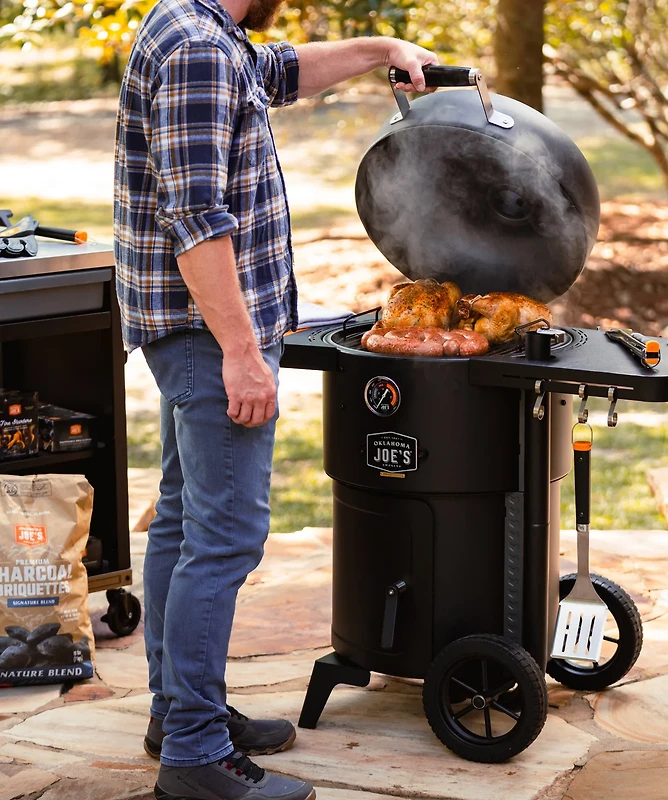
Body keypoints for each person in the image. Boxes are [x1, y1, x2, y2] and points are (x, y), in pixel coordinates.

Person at [113, 0, 436, 798]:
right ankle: (194, 755)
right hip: (208, 335)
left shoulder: (202, 32)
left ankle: (178, 713)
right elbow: (196, 221)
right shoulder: (196, 50)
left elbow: (284, 69)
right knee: (224, 538)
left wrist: (384, 48)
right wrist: (242, 354)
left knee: (184, 521)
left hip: (195, 331)